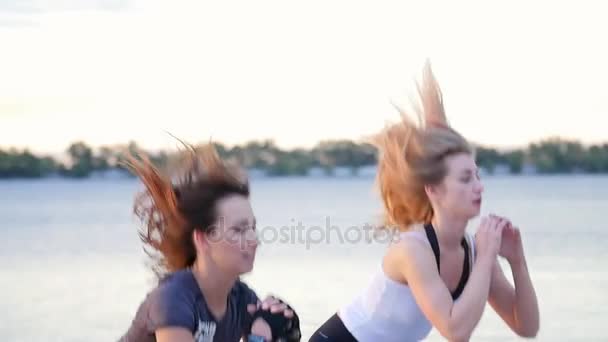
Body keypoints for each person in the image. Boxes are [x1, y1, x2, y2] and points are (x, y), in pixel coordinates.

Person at [310, 63, 539, 341]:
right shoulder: (413, 250)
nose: (479, 186)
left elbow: (526, 327)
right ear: (433, 190)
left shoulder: (475, 253)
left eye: (478, 176)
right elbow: (455, 330)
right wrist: (488, 256)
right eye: (466, 179)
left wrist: (517, 261)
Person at [119, 143, 301, 342]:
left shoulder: (242, 300)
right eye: (238, 230)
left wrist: (270, 329)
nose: (253, 240)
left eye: (252, 228)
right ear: (203, 239)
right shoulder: (174, 298)